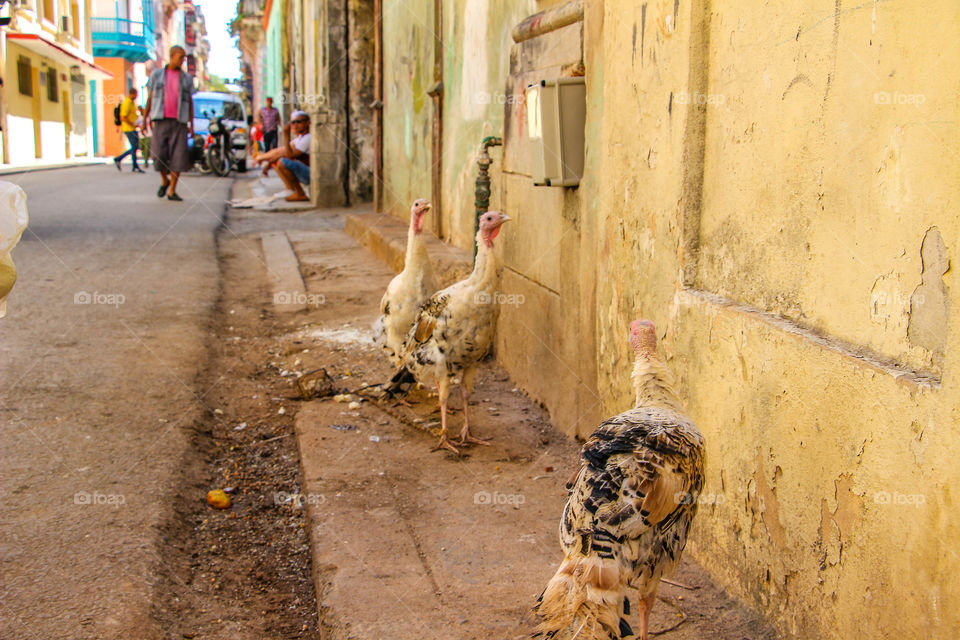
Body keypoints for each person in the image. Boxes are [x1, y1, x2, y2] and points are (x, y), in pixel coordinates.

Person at [144, 46, 196, 201]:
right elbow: (151, 98)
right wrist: (145, 119)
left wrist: (191, 124)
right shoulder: (157, 75)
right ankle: (165, 180)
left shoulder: (187, 79)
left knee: (178, 157)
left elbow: (190, 102)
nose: (182, 60)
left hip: (179, 121)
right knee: (158, 154)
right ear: (172, 56)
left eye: (184, 58)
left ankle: (172, 189)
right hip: (160, 119)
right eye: (180, 57)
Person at [253, 110, 311, 202]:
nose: (295, 125)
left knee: (283, 162)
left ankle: (300, 193)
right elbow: (281, 151)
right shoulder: (300, 138)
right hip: (304, 172)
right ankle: (290, 189)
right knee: (276, 161)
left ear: (308, 123)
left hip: (309, 174)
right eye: (293, 122)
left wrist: (286, 136)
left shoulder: (308, 138)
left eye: (299, 122)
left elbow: (289, 155)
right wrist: (268, 162)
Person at [113, 88, 144, 173]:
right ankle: (122, 160)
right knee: (135, 146)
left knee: (135, 146)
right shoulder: (127, 103)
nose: (137, 96)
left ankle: (132, 165)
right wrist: (133, 124)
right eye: (136, 94)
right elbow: (123, 117)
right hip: (128, 128)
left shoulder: (132, 103)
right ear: (133, 94)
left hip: (132, 128)